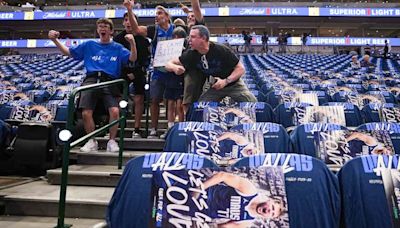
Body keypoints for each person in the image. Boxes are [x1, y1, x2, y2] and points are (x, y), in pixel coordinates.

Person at [48, 18, 137, 152]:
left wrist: (132, 43)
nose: (102, 28)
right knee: (86, 113)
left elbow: (132, 59)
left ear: (111, 31)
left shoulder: (118, 48)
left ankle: (112, 141)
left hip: (110, 81)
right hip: (91, 79)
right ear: (97, 30)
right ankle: (91, 140)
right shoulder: (89, 44)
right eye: (100, 26)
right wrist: (55, 40)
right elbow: (68, 52)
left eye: (106, 26)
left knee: (115, 111)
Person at [124, 0, 182, 138]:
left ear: (167, 16)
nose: (157, 16)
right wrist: (130, 10)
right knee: (154, 100)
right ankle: (154, 130)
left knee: (172, 101)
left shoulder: (177, 29)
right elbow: (136, 29)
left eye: (160, 13)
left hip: (173, 71)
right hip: (158, 71)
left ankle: (170, 128)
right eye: (156, 14)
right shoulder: (154, 30)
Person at [165, 25, 257, 103]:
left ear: (203, 38)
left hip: (233, 85)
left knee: (252, 102)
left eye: (193, 37)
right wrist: (174, 68)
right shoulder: (192, 54)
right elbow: (168, 63)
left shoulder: (220, 50)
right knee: (201, 107)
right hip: (216, 88)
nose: (189, 40)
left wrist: (225, 81)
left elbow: (241, 69)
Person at [194, 171, 286, 227]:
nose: (270, 211)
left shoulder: (246, 222)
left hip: (198, 211)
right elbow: (222, 176)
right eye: (273, 207)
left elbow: (221, 227)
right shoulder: (250, 190)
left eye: (272, 214)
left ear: (268, 217)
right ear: (269, 200)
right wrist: (199, 189)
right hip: (201, 190)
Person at [113, 12, 150, 138]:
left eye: (131, 20)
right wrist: (126, 72)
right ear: (123, 22)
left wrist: (136, 73)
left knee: (139, 99)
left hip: (138, 72)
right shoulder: (117, 39)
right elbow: (116, 59)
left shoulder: (143, 40)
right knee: (117, 98)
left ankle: (137, 129)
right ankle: (117, 126)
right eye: (126, 20)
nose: (128, 22)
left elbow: (146, 59)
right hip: (122, 72)